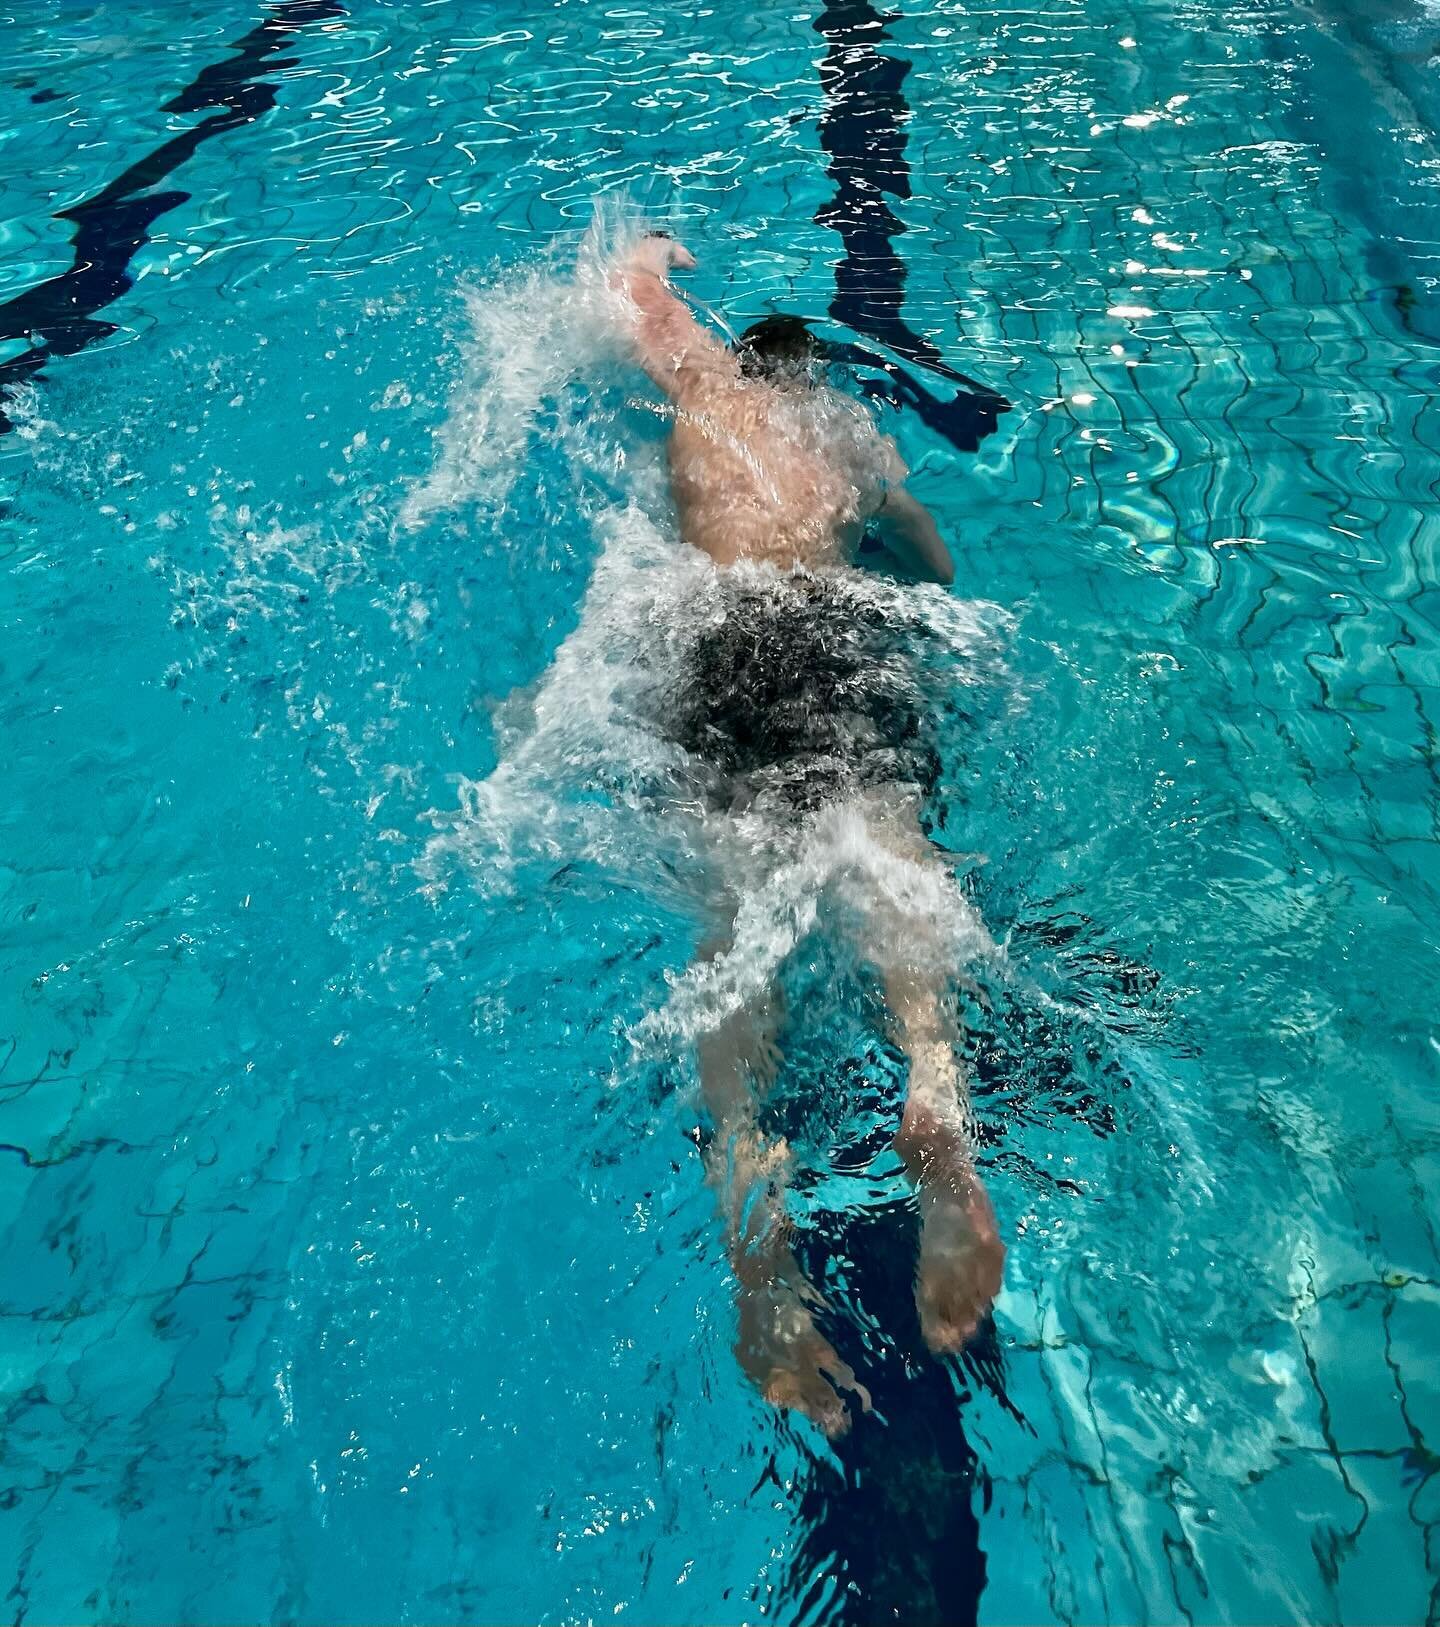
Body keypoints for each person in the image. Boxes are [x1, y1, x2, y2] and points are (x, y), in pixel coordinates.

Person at [614, 231, 1004, 1438]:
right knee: (897, 865)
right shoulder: (845, 436)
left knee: (736, 925)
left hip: (720, 649)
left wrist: (646, 261)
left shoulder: (699, 394)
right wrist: (913, 578)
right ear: (816, 376)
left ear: (741, 364)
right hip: (830, 639)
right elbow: (930, 555)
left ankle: (754, 1223)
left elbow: (636, 306)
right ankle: (935, 1098)